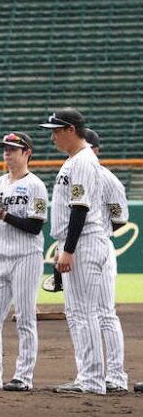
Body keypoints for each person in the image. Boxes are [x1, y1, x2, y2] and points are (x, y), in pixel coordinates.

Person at [41, 109, 112, 394]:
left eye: (56, 130)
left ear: (71, 129)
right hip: (77, 242)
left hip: (83, 242)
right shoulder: (75, 160)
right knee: (77, 312)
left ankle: (93, 380)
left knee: (84, 313)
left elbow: (80, 208)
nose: (52, 136)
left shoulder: (82, 161)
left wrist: (68, 250)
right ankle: (87, 377)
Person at [0, 132, 47, 391]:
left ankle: (23, 377)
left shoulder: (35, 185)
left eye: (13, 149)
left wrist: (2, 213)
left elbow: (35, 226)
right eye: (5, 149)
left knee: (25, 318)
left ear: (27, 152)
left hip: (27, 256)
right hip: (0, 258)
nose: (7, 153)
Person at [82, 130, 130, 393]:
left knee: (104, 313)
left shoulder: (108, 180)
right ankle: (90, 373)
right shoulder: (73, 173)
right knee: (82, 314)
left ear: (96, 150)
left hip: (100, 248)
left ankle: (115, 375)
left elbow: (120, 218)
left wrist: (98, 230)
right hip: (79, 250)